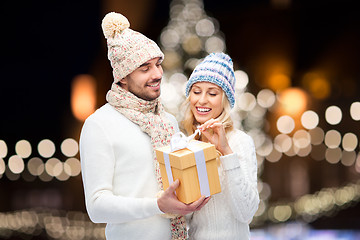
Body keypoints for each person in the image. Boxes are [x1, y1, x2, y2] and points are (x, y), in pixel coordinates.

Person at [80, 12, 208, 240]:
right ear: (122, 77)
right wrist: (157, 205)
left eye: (158, 64)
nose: (157, 74)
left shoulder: (166, 121)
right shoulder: (99, 124)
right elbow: (96, 207)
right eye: (144, 68)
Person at [181, 52, 260, 240]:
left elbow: (246, 212)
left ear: (225, 100)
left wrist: (225, 152)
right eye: (196, 91)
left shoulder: (239, 142)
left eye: (212, 93)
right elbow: (185, 218)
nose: (201, 100)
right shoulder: (187, 144)